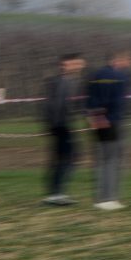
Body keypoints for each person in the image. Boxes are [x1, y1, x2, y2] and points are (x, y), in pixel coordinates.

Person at [86, 49, 131, 210]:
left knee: (103, 159)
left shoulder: (97, 74)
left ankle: (102, 198)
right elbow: (112, 100)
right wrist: (109, 118)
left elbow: (91, 99)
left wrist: (94, 118)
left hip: (99, 120)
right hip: (112, 121)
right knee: (112, 160)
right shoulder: (116, 76)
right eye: (128, 60)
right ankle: (109, 198)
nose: (129, 64)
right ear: (118, 60)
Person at [40, 52, 85, 205]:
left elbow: (74, 104)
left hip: (64, 125)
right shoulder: (59, 82)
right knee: (67, 158)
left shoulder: (72, 81)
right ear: (65, 65)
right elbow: (53, 105)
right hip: (60, 126)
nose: (79, 66)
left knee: (66, 159)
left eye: (80, 63)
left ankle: (57, 193)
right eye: (76, 63)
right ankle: (55, 194)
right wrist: (54, 126)